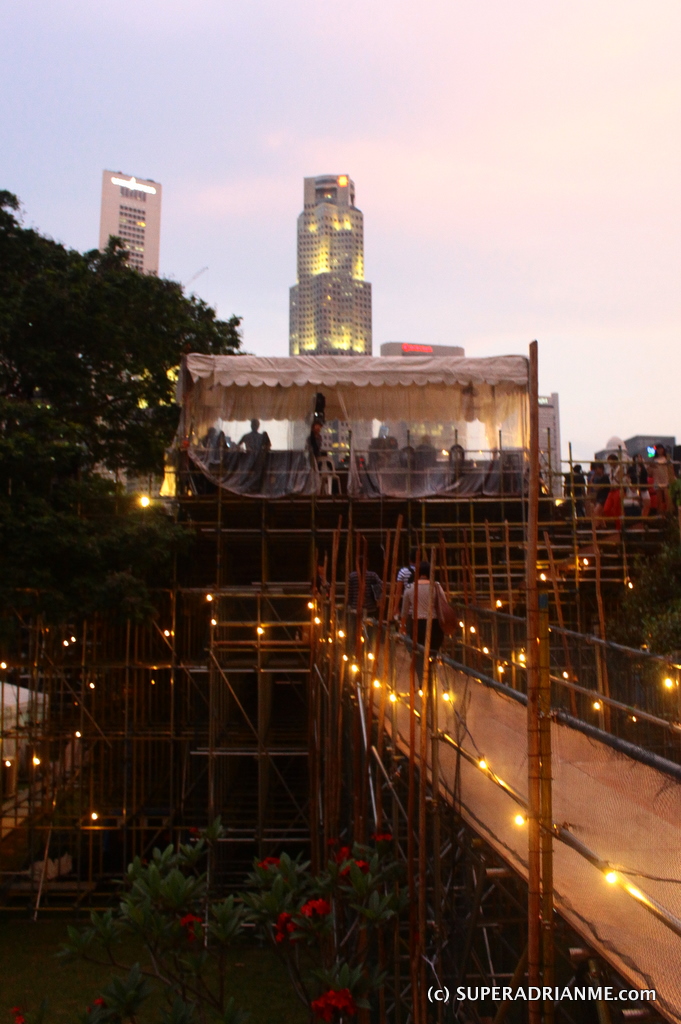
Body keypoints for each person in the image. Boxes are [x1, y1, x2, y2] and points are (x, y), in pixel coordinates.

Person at [399, 561, 445, 681]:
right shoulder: (437, 586)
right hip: (435, 626)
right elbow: (444, 605)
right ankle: (431, 680)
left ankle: (422, 681)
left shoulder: (410, 588)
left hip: (417, 625)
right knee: (432, 655)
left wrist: (402, 626)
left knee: (418, 654)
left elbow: (404, 611)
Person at [651, 444, 675, 515]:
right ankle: (660, 513)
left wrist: (672, 479)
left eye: (661, 449)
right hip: (657, 480)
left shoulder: (667, 459)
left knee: (667, 497)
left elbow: (671, 470)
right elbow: (650, 472)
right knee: (659, 499)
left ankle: (669, 513)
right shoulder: (654, 460)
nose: (659, 451)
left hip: (666, 480)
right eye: (658, 449)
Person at [628, 454, 651, 520]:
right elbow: (628, 478)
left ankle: (643, 519)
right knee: (638, 505)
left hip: (644, 487)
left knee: (647, 504)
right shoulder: (632, 468)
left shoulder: (643, 467)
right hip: (635, 488)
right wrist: (631, 486)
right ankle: (639, 520)